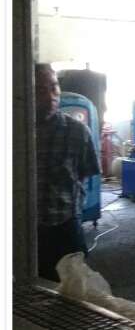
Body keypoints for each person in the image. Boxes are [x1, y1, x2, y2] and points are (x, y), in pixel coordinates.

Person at [35, 63, 100, 282]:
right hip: (24, 229)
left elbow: (84, 174)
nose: (50, 96)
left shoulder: (77, 131)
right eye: (40, 90)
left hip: (65, 227)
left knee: (73, 289)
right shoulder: (14, 132)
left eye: (54, 87)